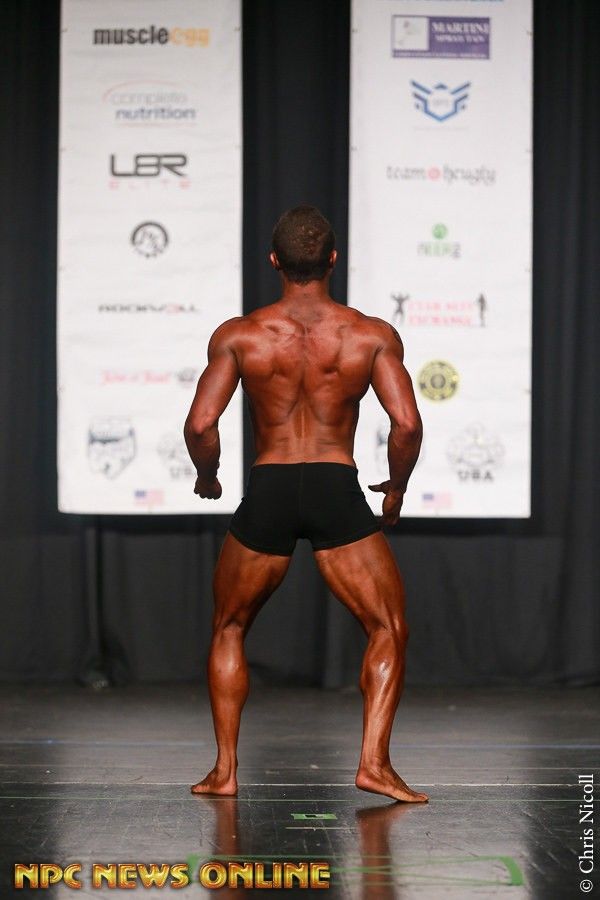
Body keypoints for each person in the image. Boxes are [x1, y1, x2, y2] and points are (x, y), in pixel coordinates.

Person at [184, 206, 427, 803]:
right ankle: (373, 764)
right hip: (333, 486)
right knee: (387, 627)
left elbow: (200, 424)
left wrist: (208, 475)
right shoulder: (369, 335)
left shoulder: (240, 335)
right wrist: (396, 488)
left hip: (268, 488)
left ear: (274, 261)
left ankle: (224, 771)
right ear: (333, 260)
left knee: (229, 627)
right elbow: (406, 424)